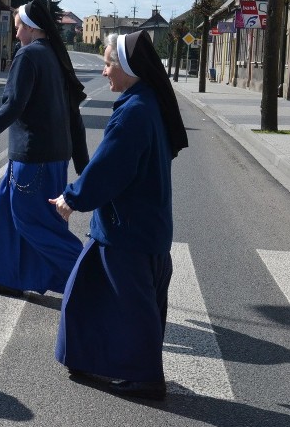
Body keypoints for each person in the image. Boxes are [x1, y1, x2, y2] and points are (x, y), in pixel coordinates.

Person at [50, 30, 189, 401]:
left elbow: (108, 167)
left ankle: (145, 378)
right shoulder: (146, 102)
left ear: (128, 68)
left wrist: (71, 198)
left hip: (126, 230)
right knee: (91, 295)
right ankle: (89, 358)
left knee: (131, 308)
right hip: (138, 225)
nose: (105, 71)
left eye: (110, 64)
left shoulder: (134, 112)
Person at [0, 0, 89, 298]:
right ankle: (9, 277)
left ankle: (96, 281)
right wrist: (83, 164)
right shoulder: (57, 56)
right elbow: (74, 114)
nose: (16, 34)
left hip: (33, 159)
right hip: (52, 158)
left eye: (18, 27)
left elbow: (13, 106)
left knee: (37, 224)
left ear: (31, 29)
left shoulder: (28, 56)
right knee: (5, 219)